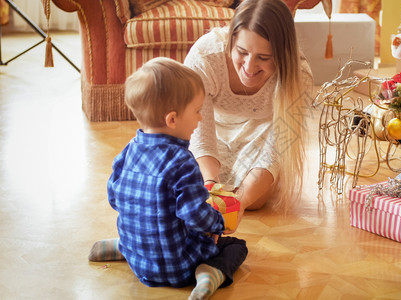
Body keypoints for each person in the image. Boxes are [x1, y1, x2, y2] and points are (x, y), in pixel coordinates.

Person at [105, 57, 248, 299]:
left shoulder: (129, 150)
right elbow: (194, 215)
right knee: (235, 246)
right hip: (180, 267)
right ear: (172, 119)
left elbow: (114, 198)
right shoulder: (182, 161)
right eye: (197, 111)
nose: (200, 118)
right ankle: (210, 273)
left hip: (139, 265)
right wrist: (218, 224)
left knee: (144, 227)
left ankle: (124, 246)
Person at [183, 0, 313, 231]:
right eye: (242, 52)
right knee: (194, 185)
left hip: (262, 129)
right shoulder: (206, 56)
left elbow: (277, 148)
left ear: (283, 55)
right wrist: (210, 185)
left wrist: (239, 203)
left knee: (256, 201)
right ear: (231, 40)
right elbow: (198, 131)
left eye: (264, 57)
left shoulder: (299, 75)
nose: (250, 67)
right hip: (214, 126)